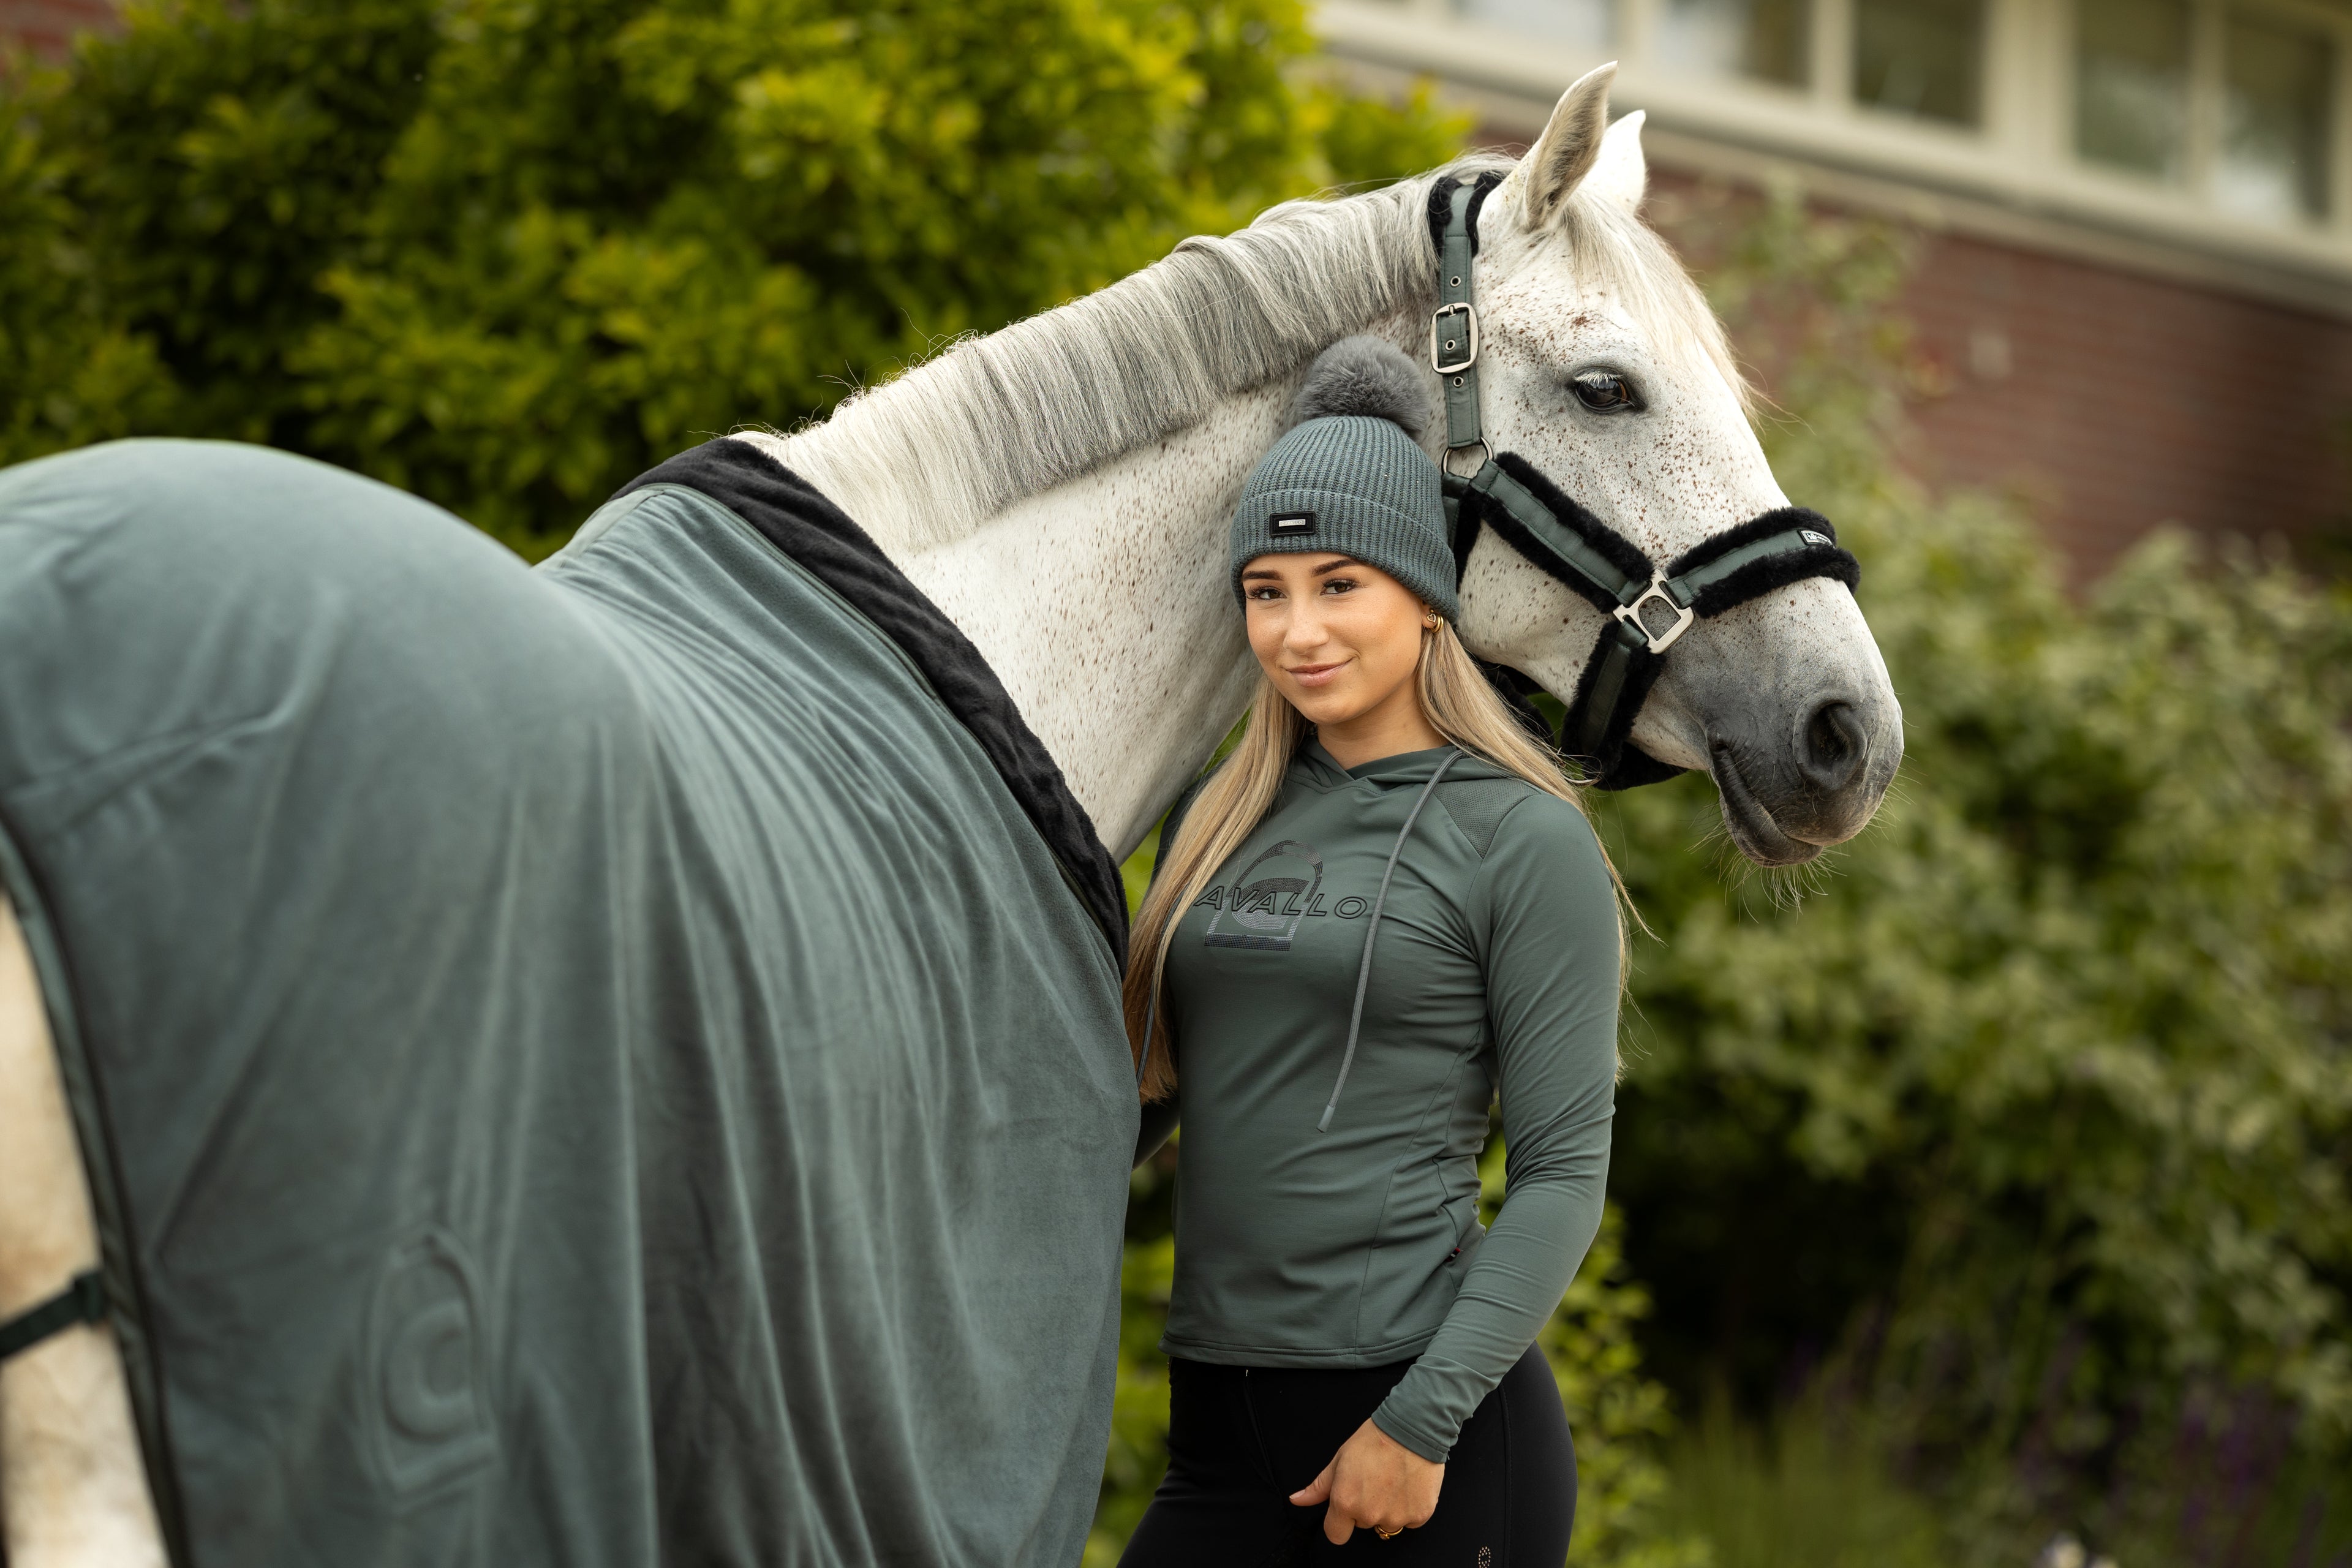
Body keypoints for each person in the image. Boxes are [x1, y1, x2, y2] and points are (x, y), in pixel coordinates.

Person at [1117, 336, 1625, 1566]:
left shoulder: (1521, 836)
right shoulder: (1214, 819)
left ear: (1421, 591)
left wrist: (1422, 1418)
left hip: (1422, 1432)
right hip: (1218, 1426)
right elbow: (1136, 1100)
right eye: (1267, 589)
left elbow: (1561, 1169)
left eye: (1340, 583)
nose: (1297, 630)